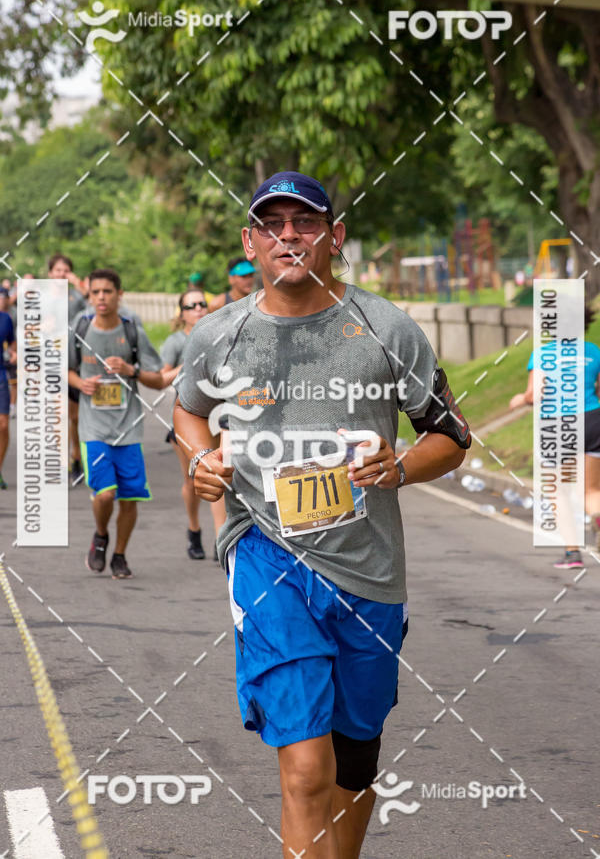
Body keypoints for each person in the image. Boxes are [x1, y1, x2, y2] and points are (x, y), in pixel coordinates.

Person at [173, 171, 470, 857]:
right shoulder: (219, 335)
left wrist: (398, 466)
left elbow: (451, 435)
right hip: (264, 551)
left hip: (367, 569)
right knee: (307, 769)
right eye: (272, 225)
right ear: (251, 243)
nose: (288, 236)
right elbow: (189, 408)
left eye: (304, 222)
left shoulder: (385, 327)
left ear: (334, 237)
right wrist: (198, 460)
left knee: (355, 760)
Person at [68, 268, 163, 579]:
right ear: (89, 295)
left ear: (119, 295)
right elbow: (62, 368)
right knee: (105, 493)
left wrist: (131, 370)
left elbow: (158, 379)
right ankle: (100, 535)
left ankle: (119, 554)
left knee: (131, 497)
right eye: (95, 292)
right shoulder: (80, 327)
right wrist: (80, 383)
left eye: (107, 292)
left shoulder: (132, 329)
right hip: (93, 426)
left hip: (129, 427)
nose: (101, 298)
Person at [510, 304, 600, 568]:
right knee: (592, 489)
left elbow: (535, 394)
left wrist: (520, 400)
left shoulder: (542, 355)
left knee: (557, 492)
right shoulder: (594, 352)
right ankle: (597, 517)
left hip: (557, 424)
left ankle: (573, 554)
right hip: (593, 420)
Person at [160, 289, 226, 561]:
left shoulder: (217, 336)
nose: (198, 308)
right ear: (182, 313)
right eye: (191, 306)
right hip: (187, 416)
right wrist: (188, 366)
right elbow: (162, 378)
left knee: (217, 474)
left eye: (202, 304)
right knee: (192, 479)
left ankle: (220, 538)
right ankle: (193, 529)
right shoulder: (176, 342)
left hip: (216, 416)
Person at [48, 253, 89, 486]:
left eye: (65, 271)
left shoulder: (77, 297)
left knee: (74, 416)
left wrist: (79, 284)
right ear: (50, 273)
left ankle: (76, 459)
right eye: (58, 271)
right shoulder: (41, 298)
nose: (61, 274)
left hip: (74, 361)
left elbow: (93, 309)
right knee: (58, 414)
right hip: (52, 359)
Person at [0, 287, 16, 490]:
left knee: (3, 425)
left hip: (1, 374)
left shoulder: (6, 319)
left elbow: (12, 342)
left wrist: (13, 352)